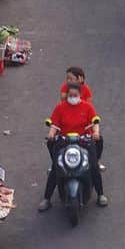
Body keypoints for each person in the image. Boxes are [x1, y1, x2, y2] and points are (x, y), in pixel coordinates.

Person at [39, 82, 107, 210]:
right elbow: (54, 125)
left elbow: (94, 121)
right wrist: (51, 134)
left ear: (80, 95)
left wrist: (96, 133)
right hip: (64, 141)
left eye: (75, 95)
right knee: (55, 168)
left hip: (84, 140)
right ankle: (46, 199)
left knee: (93, 166)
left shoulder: (87, 107)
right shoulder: (60, 108)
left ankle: (100, 194)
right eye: (70, 95)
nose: (72, 97)